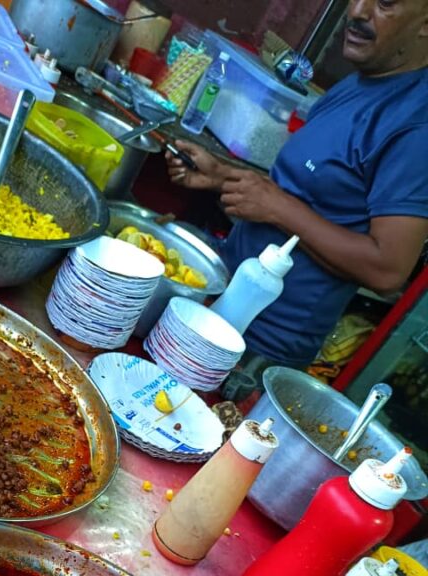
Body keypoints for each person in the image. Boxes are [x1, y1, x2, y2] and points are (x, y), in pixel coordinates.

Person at [167, 0, 428, 384]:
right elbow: (306, 194)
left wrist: (276, 207)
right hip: (221, 297)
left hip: (257, 349)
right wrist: (224, 176)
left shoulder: (415, 128)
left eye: (384, 3)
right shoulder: (360, 82)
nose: (356, 11)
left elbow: (388, 268)